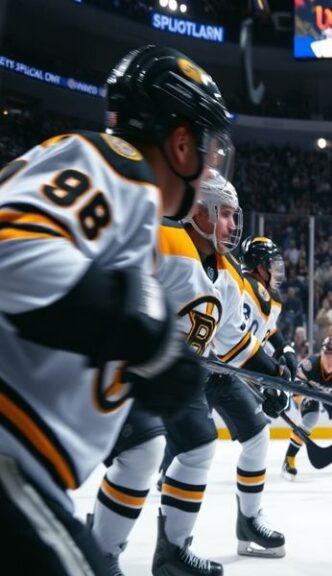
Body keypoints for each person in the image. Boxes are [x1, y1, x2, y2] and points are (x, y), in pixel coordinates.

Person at [0, 44, 230, 575]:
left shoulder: (127, 197)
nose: (212, 162)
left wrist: (144, 351)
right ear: (180, 144)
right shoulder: (120, 168)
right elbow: (12, 247)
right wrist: (145, 338)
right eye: (209, 147)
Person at [89, 175, 289, 576]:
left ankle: (172, 554)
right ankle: (96, 557)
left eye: (235, 217)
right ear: (200, 211)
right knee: (143, 452)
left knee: (198, 446)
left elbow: (237, 343)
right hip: (128, 370)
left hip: (179, 378)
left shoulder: (230, 276)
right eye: (227, 215)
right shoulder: (163, 239)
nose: (234, 226)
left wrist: (274, 378)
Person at [282, 336, 332, 479]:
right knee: (310, 419)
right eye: (327, 355)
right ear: (322, 354)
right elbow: (295, 391)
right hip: (309, 393)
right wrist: (304, 399)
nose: (330, 360)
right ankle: (289, 459)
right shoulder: (308, 366)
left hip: (329, 395)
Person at [240, 236, 299, 380]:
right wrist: (272, 370)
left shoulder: (271, 297)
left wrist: (285, 348)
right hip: (230, 369)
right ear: (260, 267)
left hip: (245, 368)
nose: (277, 271)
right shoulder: (245, 290)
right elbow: (238, 342)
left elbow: (269, 329)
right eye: (272, 264)